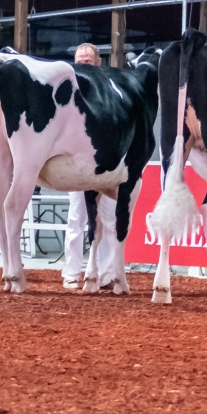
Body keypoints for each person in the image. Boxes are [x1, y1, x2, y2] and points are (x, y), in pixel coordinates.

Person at [62, 43, 114, 289]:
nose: (82, 66)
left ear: (98, 63)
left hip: (106, 164)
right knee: (77, 219)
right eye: (79, 62)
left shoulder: (109, 88)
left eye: (88, 62)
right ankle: (71, 274)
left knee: (108, 219)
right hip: (77, 164)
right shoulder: (68, 92)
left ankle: (106, 274)